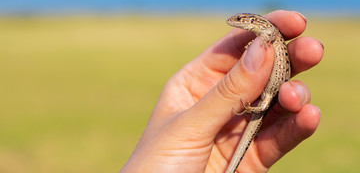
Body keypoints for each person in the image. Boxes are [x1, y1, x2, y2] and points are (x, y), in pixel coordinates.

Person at [120, 10, 324, 173]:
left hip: (270, 94)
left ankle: (257, 108)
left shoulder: (267, 31)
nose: (234, 22)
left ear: (250, 21)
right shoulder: (261, 33)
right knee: (280, 99)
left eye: (238, 20)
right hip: (267, 90)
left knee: (272, 100)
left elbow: (271, 34)